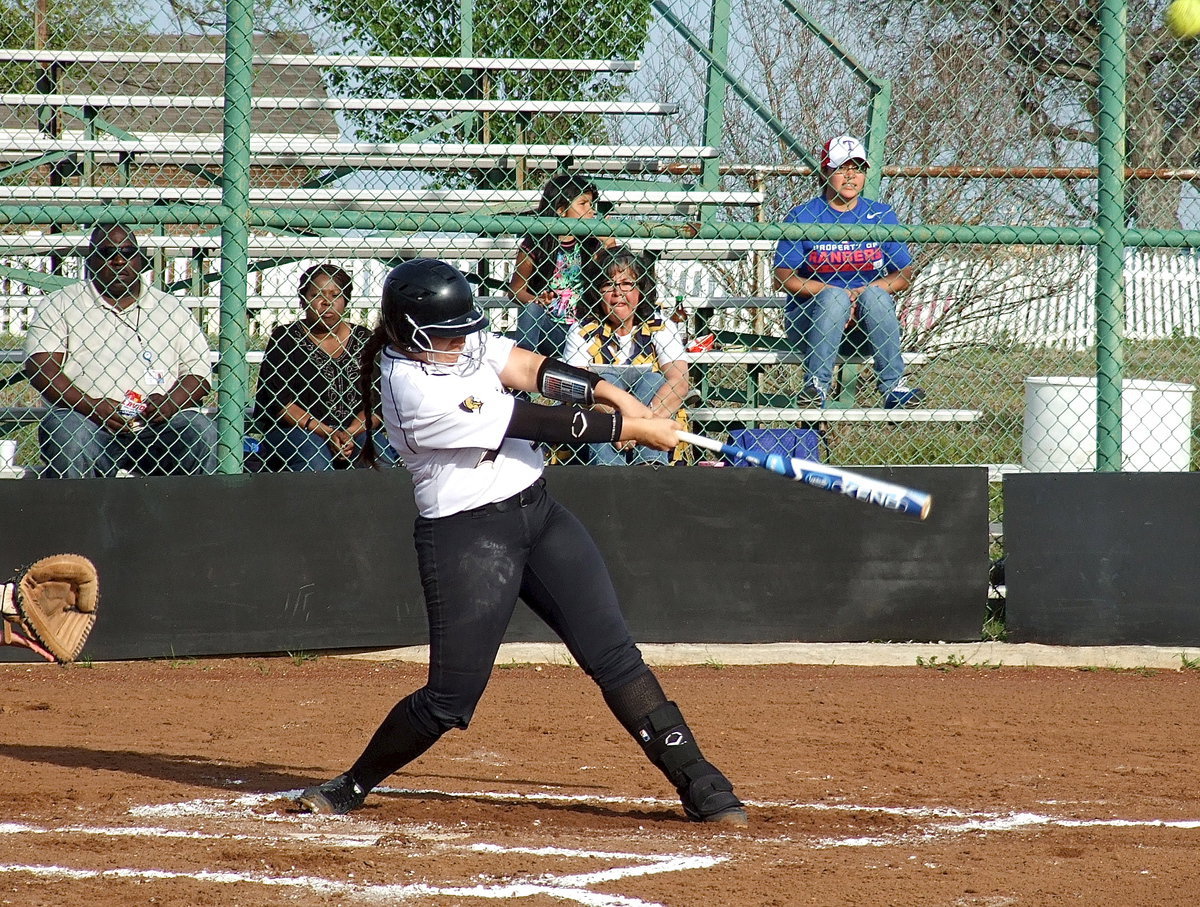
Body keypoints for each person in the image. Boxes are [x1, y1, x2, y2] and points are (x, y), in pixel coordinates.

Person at [297, 258, 746, 827]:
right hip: (469, 536)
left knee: (613, 656)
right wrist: (633, 428)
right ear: (411, 333)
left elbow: (531, 368)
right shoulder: (411, 389)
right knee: (449, 702)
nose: (463, 342)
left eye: (465, 329)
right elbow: (532, 420)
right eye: (448, 334)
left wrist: (617, 394)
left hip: (539, 513)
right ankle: (352, 783)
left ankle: (703, 784)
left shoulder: (459, 336)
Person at [23, 225, 217, 478]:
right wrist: (92, 406)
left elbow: (198, 373)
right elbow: (41, 368)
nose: (118, 260)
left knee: (200, 429)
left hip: (158, 425)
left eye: (127, 252)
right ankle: (74, 516)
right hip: (86, 420)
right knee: (65, 430)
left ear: (140, 259)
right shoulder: (60, 303)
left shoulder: (171, 307)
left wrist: (169, 404)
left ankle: (194, 517)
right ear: (91, 258)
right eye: (107, 253)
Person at [773, 135, 925, 409]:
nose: (850, 176)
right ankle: (815, 387)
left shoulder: (881, 215)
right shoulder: (803, 215)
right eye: (841, 168)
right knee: (835, 299)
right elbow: (783, 277)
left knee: (877, 297)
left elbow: (903, 275)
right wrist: (836, 293)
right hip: (810, 325)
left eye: (858, 168)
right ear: (826, 171)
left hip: (864, 331)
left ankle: (894, 389)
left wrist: (863, 293)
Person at [253, 263, 396, 471]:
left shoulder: (365, 339)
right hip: (298, 430)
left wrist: (349, 433)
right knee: (314, 457)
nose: (326, 303)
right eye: (316, 295)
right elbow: (280, 403)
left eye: (335, 295)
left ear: (345, 301)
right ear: (303, 301)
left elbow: (376, 402)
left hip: (356, 430)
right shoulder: (285, 339)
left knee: (378, 456)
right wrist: (327, 432)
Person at [565, 246, 690, 466]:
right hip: (601, 421)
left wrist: (641, 427)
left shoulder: (661, 326)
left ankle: (650, 466)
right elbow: (576, 385)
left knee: (653, 381)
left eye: (626, 284)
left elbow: (679, 381)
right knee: (604, 383)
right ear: (596, 292)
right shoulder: (581, 330)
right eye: (608, 285)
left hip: (650, 413)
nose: (617, 293)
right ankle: (607, 472)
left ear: (640, 290)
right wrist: (621, 425)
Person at [508, 173, 616, 358]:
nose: (591, 211)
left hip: (586, 329)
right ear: (560, 210)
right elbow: (516, 289)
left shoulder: (593, 244)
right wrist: (537, 300)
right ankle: (523, 368)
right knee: (531, 310)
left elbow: (616, 280)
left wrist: (609, 245)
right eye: (583, 204)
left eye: (591, 204)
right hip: (552, 329)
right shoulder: (536, 244)